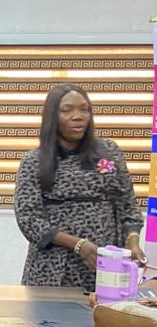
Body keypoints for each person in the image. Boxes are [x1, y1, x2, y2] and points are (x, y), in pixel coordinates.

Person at [14, 84, 144, 288]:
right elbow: (28, 219)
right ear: (52, 117)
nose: (78, 116)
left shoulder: (109, 151)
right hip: (52, 271)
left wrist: (133, 241)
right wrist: (78, 245)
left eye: (84, 109)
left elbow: (128, 204)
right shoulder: (34, 161)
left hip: (105, 267)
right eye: (67, 110)